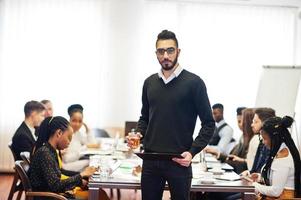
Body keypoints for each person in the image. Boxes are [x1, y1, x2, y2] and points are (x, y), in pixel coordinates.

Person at [131, 30, 215, 200]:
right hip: (150, 160)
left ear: (178, 52)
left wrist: (192, 153)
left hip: (180, 161)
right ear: (156, 54)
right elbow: (145, 118)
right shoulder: (149, 83)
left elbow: (209, 123)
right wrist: (138, 133)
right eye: (161, 51)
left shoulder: (194, 83)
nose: (166, 55)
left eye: (170, 50)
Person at [29, 116, 108, 200]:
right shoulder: (45, 153)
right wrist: (81, 175)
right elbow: (55, 186)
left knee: (99, 193)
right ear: (59, 133)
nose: (69, 142)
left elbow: (59, 173)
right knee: (99, 195)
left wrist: (81, 177)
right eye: (69, 138)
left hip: (54, 194)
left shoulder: (50, 150)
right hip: (51, 197)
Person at [249, 116, 301, 199]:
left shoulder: (283, 158)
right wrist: (260, 177)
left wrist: (254, 185)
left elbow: (275, 191)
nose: (263, 142)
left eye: (265, 138)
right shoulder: (281, 152)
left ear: (274, 138)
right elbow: (280, 180)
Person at [206, 108, 255, 174]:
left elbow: (244, 164)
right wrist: (218, 154)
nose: (241, 125)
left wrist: (218, 153)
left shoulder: (253, 141)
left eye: (242, 121)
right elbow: (232, 157)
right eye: (239, 122)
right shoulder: (242, 139)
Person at [61, 104, 97, 171]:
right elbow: (66, 159)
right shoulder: (65, 134)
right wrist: (84, 149)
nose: (77, 124)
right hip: (66, 167)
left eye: (80, 121)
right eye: (74, 120)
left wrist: (87, 128)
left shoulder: (78, 133)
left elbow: (92, 144)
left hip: (76, 163)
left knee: (94, 162)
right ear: (69, 120)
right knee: (92, 163)